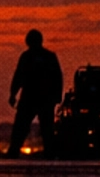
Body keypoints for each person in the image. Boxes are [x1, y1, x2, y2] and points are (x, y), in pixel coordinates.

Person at [6, 28, 63, 156]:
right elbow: (57, 78)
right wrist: (57, 96)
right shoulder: (49, 57)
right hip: (43, 99)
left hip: (31, 98)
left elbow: (18, 77)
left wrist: (13, 94)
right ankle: (49, 152)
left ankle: (14, 151)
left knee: (23, 126)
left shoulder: (27, 57)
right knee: (45, 128)